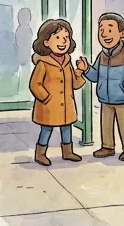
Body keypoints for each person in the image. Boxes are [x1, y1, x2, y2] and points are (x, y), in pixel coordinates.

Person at [77, 13, 124, 160]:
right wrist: (86, 68)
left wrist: (123, 88)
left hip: (122, 100)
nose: (104, 34)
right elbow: (95, 76)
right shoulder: (102, 55)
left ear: (121, 33)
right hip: (105, 99)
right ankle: (107, 146)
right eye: (101, 30)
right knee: (105, 124)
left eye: (110, 29)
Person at [28, 19, 86, 166]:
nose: (63, 41)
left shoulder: (67, 61)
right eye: (58, 37)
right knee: (46, 130)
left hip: (66, 106)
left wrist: (79, 72)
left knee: (66, 128)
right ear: (46, 42)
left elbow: (74, 83)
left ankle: (68, 152)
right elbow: (35, 84)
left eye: (66, 38)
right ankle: (40, 154)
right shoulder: (43, 63)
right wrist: (46, 98)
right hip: (49, 106)